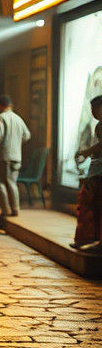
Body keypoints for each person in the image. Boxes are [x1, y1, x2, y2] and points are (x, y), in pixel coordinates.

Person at [74, 95, 102, 248]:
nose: (92, 113)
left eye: (95, 109)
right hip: (96, 171)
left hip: (98, 174)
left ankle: (92, 239)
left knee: (90, 203)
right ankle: (90, 238)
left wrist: (86, 152)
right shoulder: (98, 125)